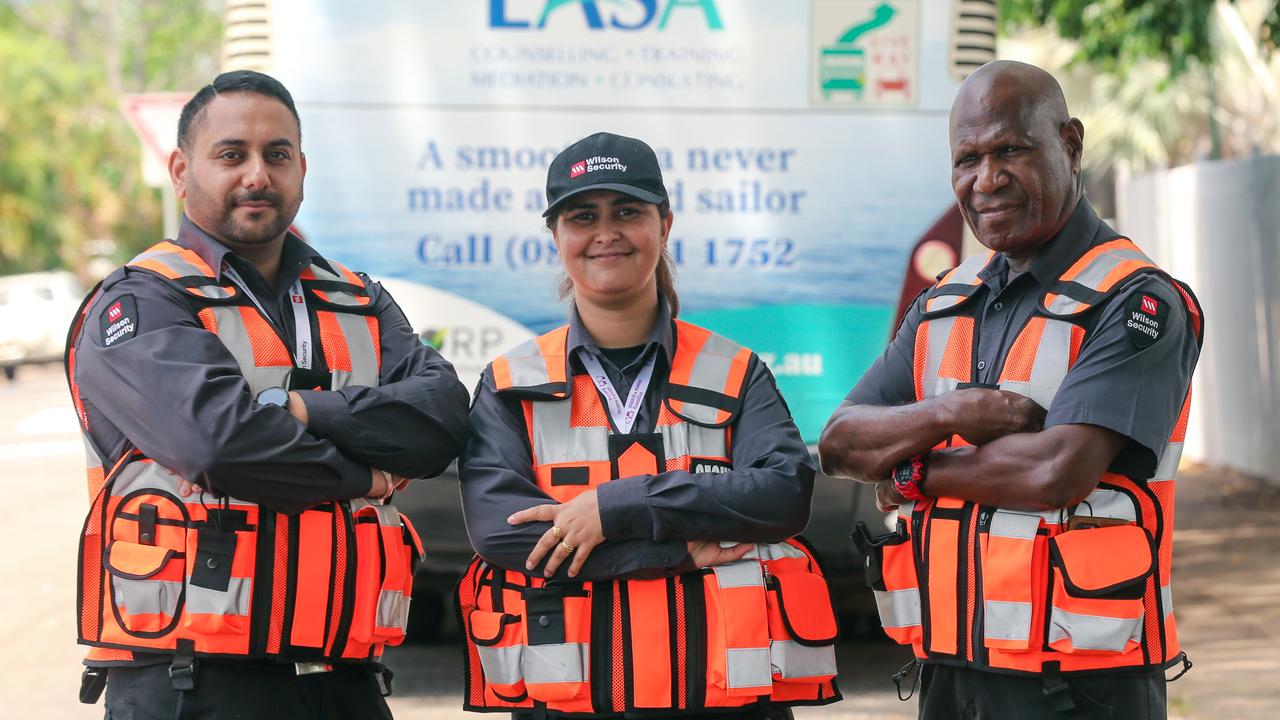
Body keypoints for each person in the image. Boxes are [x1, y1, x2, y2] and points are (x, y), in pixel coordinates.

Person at [66, 70, 472, 719]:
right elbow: (217, 443)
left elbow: (444, 420)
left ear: (301, 168)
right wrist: (369, 472)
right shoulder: (143, 300)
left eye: (276, 154)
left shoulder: (357, 299)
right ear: (180, 169)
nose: (257, 173)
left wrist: (303, 411)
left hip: (345, 684)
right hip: (191, 685)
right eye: (232, 154)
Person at [819, 60, 1203, 719]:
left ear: (1071, 144)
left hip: (1079, 684)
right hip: (950, 669)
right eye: (967, 158)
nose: (986, 180)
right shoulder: (947, 300)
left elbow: (1058, 469)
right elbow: (840, 443)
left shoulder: (1137, 300)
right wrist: (953, 410)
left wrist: (911, 472)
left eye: (1011, 151)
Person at [456, 132, 841, 718]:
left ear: (664, 225)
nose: (606, 232)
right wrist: (681, 551)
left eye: (628, 212)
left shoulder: (736, 373)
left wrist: (618, 508)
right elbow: (503, 534)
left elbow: (785, 496)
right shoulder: (511, 383)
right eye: (583, 216)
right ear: (556, 237)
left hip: (725, 706)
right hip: (571, 706)